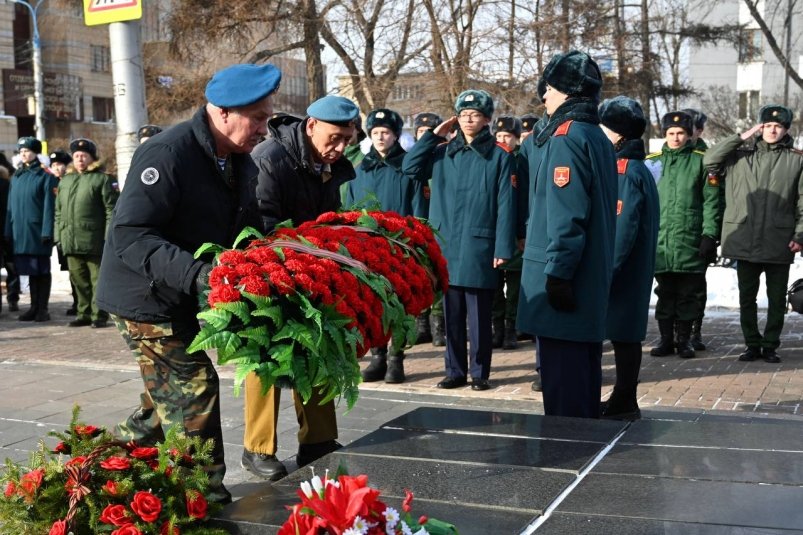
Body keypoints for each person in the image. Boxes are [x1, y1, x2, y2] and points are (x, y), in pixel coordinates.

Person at [96, 63, 281, 504]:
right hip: (144, 297)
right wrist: (201, 275)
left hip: (180, 295)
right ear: (221, 113)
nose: (264, 129)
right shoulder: (169, 153)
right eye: (257, 118)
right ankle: (203, 497)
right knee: (194, 387)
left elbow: (244, 223)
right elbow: (131, 234)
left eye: (267, 118)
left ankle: (96, 468)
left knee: (162, 405)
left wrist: (269, 257)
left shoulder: (235, 158)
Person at [243, 95, 359, 481]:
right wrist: (297, 255)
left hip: (312, 268)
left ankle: (318, 441)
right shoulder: (270, 157)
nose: (341, 147)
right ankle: (257, 448)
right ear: (311, 126)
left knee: (318, 347)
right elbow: (262, 221)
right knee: (268, 356)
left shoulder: (331, 163)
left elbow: (330, 217)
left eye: (348, 139)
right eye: (335, 137)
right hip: (267, 269)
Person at [516, 50, 617, 418]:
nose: (544, 96)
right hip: (587, 276)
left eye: (551, 88)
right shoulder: (596, 136)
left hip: (566, 280)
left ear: (569, 92)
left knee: (564, 397)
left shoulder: (566, 138)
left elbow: (566, 216)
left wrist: (558, 274)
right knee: (583, 381)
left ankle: (567, 460)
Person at [403, 89, 516, 392]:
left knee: (479, 317)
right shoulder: (440, 152)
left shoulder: (498, 156)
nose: (468, 119)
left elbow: (506, 204)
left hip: (481, 245)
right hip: (447, 245)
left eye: (475, 114)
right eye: (463, 114)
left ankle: (480, 373)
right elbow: (409, 167)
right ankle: (454, 371)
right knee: (451, 313)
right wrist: (431, 136)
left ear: (486, 119)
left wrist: (503, 247)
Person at [703, 104, 803, 363]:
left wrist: (800, 235)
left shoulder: (796, 160)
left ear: (786, 129)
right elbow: (710, 159)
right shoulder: (739, 156)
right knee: (747, 298)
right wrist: (741, 136)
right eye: (767, 125)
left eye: (778, 126)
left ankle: (770, 345)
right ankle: (751, 344)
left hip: (777, 240)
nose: (772, 130)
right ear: (759, 127)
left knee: (777, 299)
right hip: (744, 237)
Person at [346, 108, 428, 384]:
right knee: (374, 304)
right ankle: (377, 357)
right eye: (376, 133)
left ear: (395, 136)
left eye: (386, 133)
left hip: (399, 248)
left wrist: (416, 242)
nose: (381, 138)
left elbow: (418, 208)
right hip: (368, 249)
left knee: (400, 305)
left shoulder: (407, 168)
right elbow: (350, 211)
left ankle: (396, 359)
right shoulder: (360, 171)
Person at [597, 96, 659, 420]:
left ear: (618, 134)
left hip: (625, 270)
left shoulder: (626, 170)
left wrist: (608, 268)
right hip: (632, 267)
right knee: (625, 333)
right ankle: (623, 397)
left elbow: (623, 226)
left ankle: (625, 399)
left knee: (624, 334)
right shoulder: (637, 168)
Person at [646, 111, 721, 359]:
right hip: (661, 240)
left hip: (690, 239)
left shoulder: (701, 161)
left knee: (689, 294)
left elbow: (712, 202)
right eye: (671, 133)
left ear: (689, 135)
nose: (676, 137)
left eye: (681, 133)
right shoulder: (652, 162)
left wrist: (709, 235)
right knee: (665, 292)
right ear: (664, 134)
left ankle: (685, 341)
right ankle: (666, 339)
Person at [55, 139, 119, 328]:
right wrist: (59, 236)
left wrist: (109, 237)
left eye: (84, 155)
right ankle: (83, 313)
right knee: (78, 280)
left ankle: (98, 315)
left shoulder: (103, 179)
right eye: (76, 156)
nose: (80, 159)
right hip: (70, 239)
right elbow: (58, 211)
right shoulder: (66, 181)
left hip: (94, 240)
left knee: (97, 280)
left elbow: (111, 210)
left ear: (92, 158)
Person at [5, 137, 59, 322]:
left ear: (36, 152)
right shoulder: (17, 177)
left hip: (36, 232)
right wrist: (8, 231)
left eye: (27, 151)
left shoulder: (46, 176)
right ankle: (33, 307)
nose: (24, 154)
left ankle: (42, 309)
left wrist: (46, 231)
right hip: (20, 232)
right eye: (21, 152)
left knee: (41, 270)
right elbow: (10, 208)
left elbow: (49, 207)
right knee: (29, 271)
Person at [490, 115, 524, 350]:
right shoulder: (491, 158)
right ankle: (497, 329)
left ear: (516, 139)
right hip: (494, 232)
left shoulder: (523, 161)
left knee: (514, 287)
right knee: (493, 287)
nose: (502, 140)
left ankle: (512, 329)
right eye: (499, 136)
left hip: (517, 232)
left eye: (507, 136)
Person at [411, 112, 444, 347]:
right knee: (421, 276)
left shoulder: (443, 157)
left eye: (429, 133)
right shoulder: (414, 159)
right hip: (418, 224)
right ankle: (422, 322)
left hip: (441, 226)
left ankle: (438, 323)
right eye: (420, 133)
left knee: (439, 276)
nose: (425, 137)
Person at [682, 108, 712, 351]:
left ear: (699, 131)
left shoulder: (707, 157)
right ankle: (673, 332)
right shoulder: (663, 156)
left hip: (697, 233)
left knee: (696, 287)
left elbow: (713, 200)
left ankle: (695, 331)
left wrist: (710, 234)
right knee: (668, 286)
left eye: (690, 126)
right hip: (671, 234)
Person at [48, 149, 79, 316]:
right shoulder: (52, 182)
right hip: (62, 232)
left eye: (59, 164)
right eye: (53, 165)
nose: (56, 168)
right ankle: (77, 301)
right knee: (70, 270)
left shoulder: (72, 181)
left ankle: (82, 303)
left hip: (74, 231)